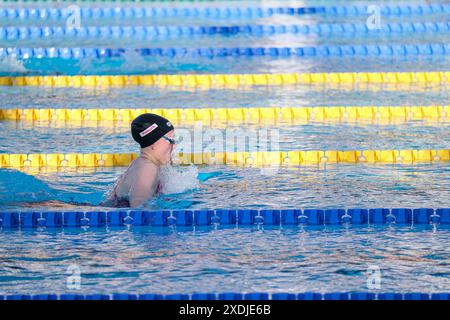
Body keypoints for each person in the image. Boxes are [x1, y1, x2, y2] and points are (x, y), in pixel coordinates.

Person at [100, 113, 176, 208]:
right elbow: (138, 206)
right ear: (153, 141)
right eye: (171, 140)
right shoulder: (148, 168)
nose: (174, 145)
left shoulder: (143, 163)